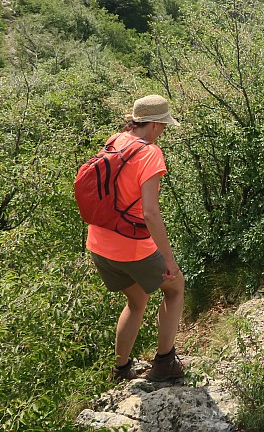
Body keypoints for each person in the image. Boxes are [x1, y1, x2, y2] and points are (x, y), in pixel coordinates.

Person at [87, 94, 185, 382]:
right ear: (154, 125)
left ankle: (120, 369)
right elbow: (150, 213)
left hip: (99, 242)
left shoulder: (114, 140)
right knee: (175, 287)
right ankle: (165, 362)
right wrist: (169, 261)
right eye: (164, 126)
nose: (163, 132)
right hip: (130, 246)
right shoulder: (150, 153)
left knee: (137, 300)